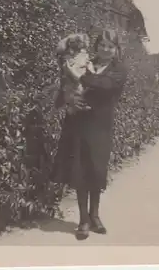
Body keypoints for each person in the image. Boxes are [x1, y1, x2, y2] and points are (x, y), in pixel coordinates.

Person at [51, 28, 128, 241]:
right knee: (80, 171)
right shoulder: (84, 60)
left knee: (96, 170)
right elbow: (64, 86)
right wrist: (68, 98)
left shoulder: (118, 70)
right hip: (78, 123)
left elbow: (104, 86)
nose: (105, 49)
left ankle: (95, 215)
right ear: (96, 46)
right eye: (102, 45)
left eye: (110, 46)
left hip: (101, 126)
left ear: (116, 50)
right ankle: (84, 219)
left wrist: (78, 74)